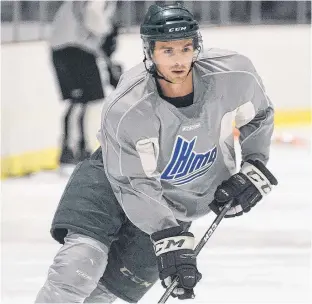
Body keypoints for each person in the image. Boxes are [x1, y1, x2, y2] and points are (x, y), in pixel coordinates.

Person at [36, 3, 278, 303]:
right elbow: (132, 181)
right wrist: (168, 237)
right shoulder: (128, 106)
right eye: (167, 51)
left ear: (196, 47)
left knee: (101, 296)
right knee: (78, 268)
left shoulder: (233, 75)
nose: (178, 60)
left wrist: (254, 164)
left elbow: (259, 115)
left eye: (185, 48)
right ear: (150, 53)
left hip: (176, 203)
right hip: (112, 181)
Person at [50, 0, 122, 168]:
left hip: (66, 49)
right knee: (87, 100)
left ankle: (74, 150)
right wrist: (107, 31)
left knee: (80, 101)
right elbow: (92, 16)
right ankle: (77, 150)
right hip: (75, 50)